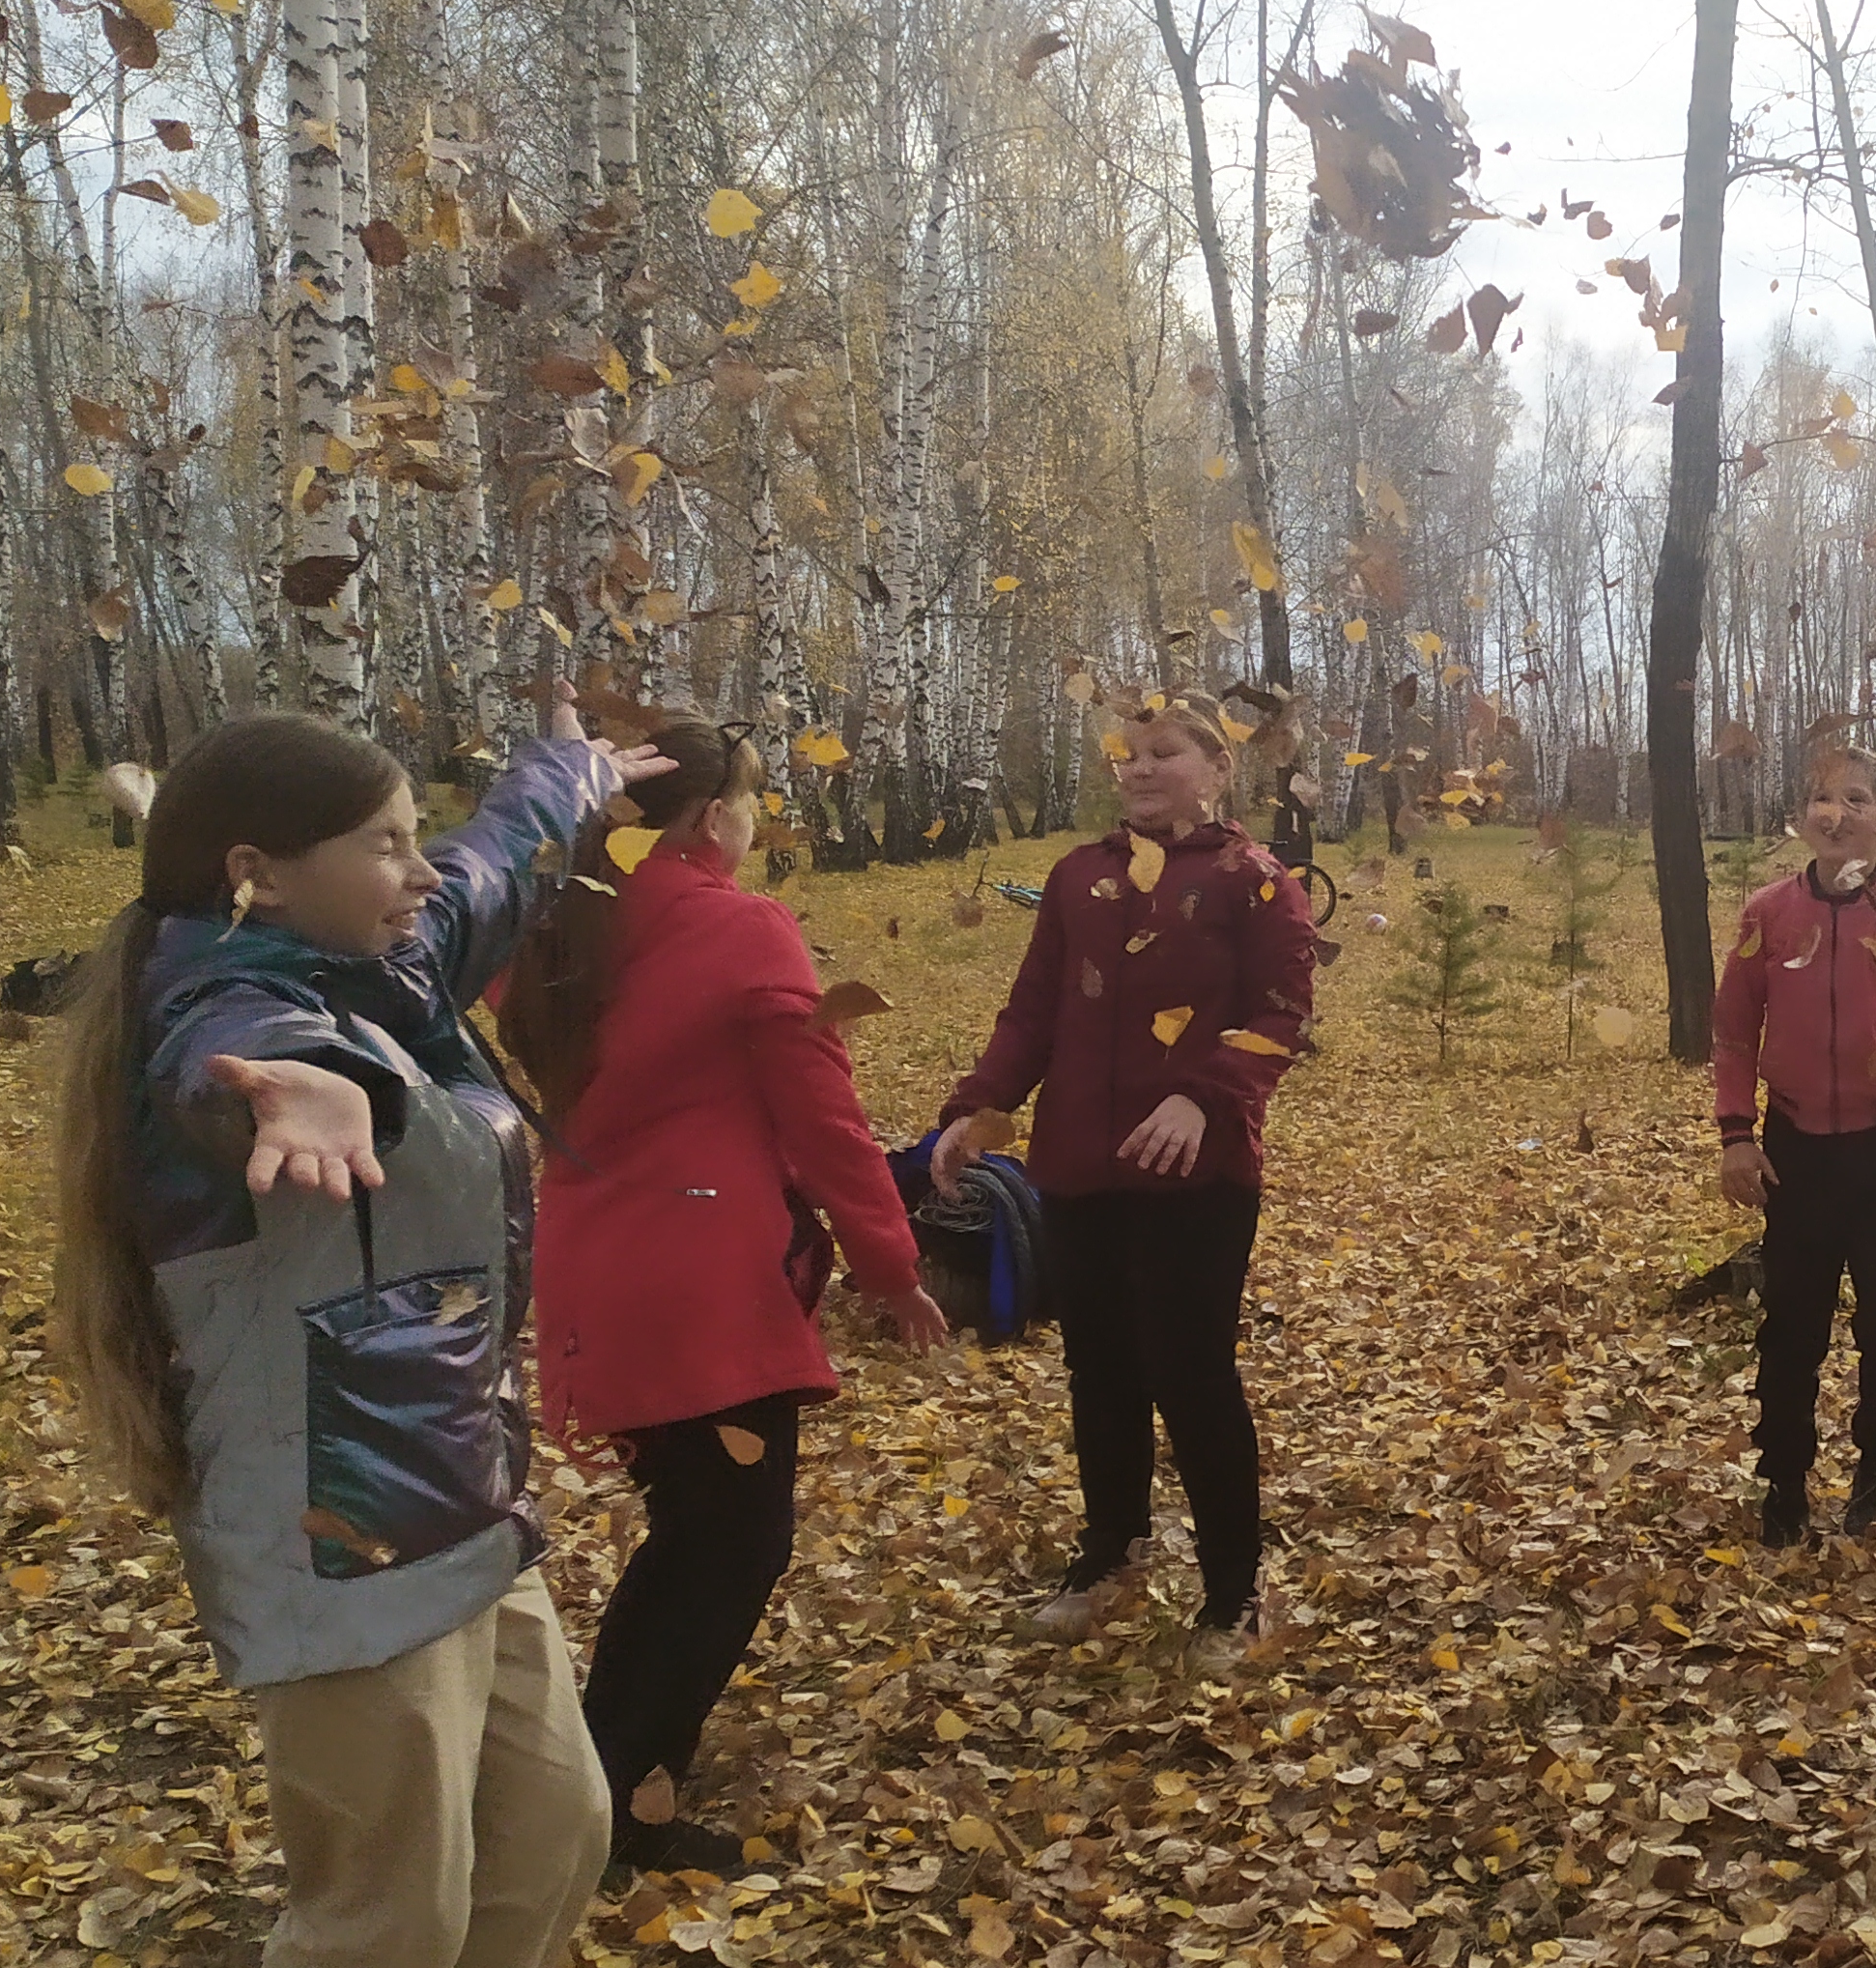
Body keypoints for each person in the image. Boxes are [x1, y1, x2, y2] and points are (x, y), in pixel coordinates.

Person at [47, 703, 666, 1968]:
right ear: (259, 873)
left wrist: (577, 771)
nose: (415, 867)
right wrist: (299, 1101)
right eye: (380, 841)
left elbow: (492, 866)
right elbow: (229, 1062)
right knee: (397, 1898)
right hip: (329, 1532)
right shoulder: (234, 997)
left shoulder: (379, 955)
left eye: (407, 832)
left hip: (462, 1502)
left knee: (552, 1836)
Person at [502, 720, 948, 1880]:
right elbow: (825, 1118)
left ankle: (603, 1789)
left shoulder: (564, 919)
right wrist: (893, 1269)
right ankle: (616, 1811)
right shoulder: (740, 924)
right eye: (754, 805)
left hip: (596, 1266)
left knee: (700, 1535)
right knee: (729, 1546)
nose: (756, 829)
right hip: (698, 1283)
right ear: (712, 820)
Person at [931, 693, 1320, 1665]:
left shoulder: (1255, 880)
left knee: (1190, 1375)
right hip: (1077, 1169)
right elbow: (1031, 1014)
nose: (1141, 770)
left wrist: (1205, 1097)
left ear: (1217, 767)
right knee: (1097, 1370)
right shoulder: (1077, 879)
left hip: (1199, 1176)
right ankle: (1111, 1555)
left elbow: (1281, 1015)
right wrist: (979, 1107)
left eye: (1165, 753)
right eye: (1127, 756)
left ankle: (1233, 1597)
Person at [1712, 741, 1876, 1546]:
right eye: (1823, 798)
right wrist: (1735, 1135)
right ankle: (1784, 1482)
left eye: (1858, 799)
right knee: (1791, 1329)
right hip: (1794, 1153)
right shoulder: (1766, 915)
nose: (1838, 813)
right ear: (1800, 819)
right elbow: (1732, 1031)